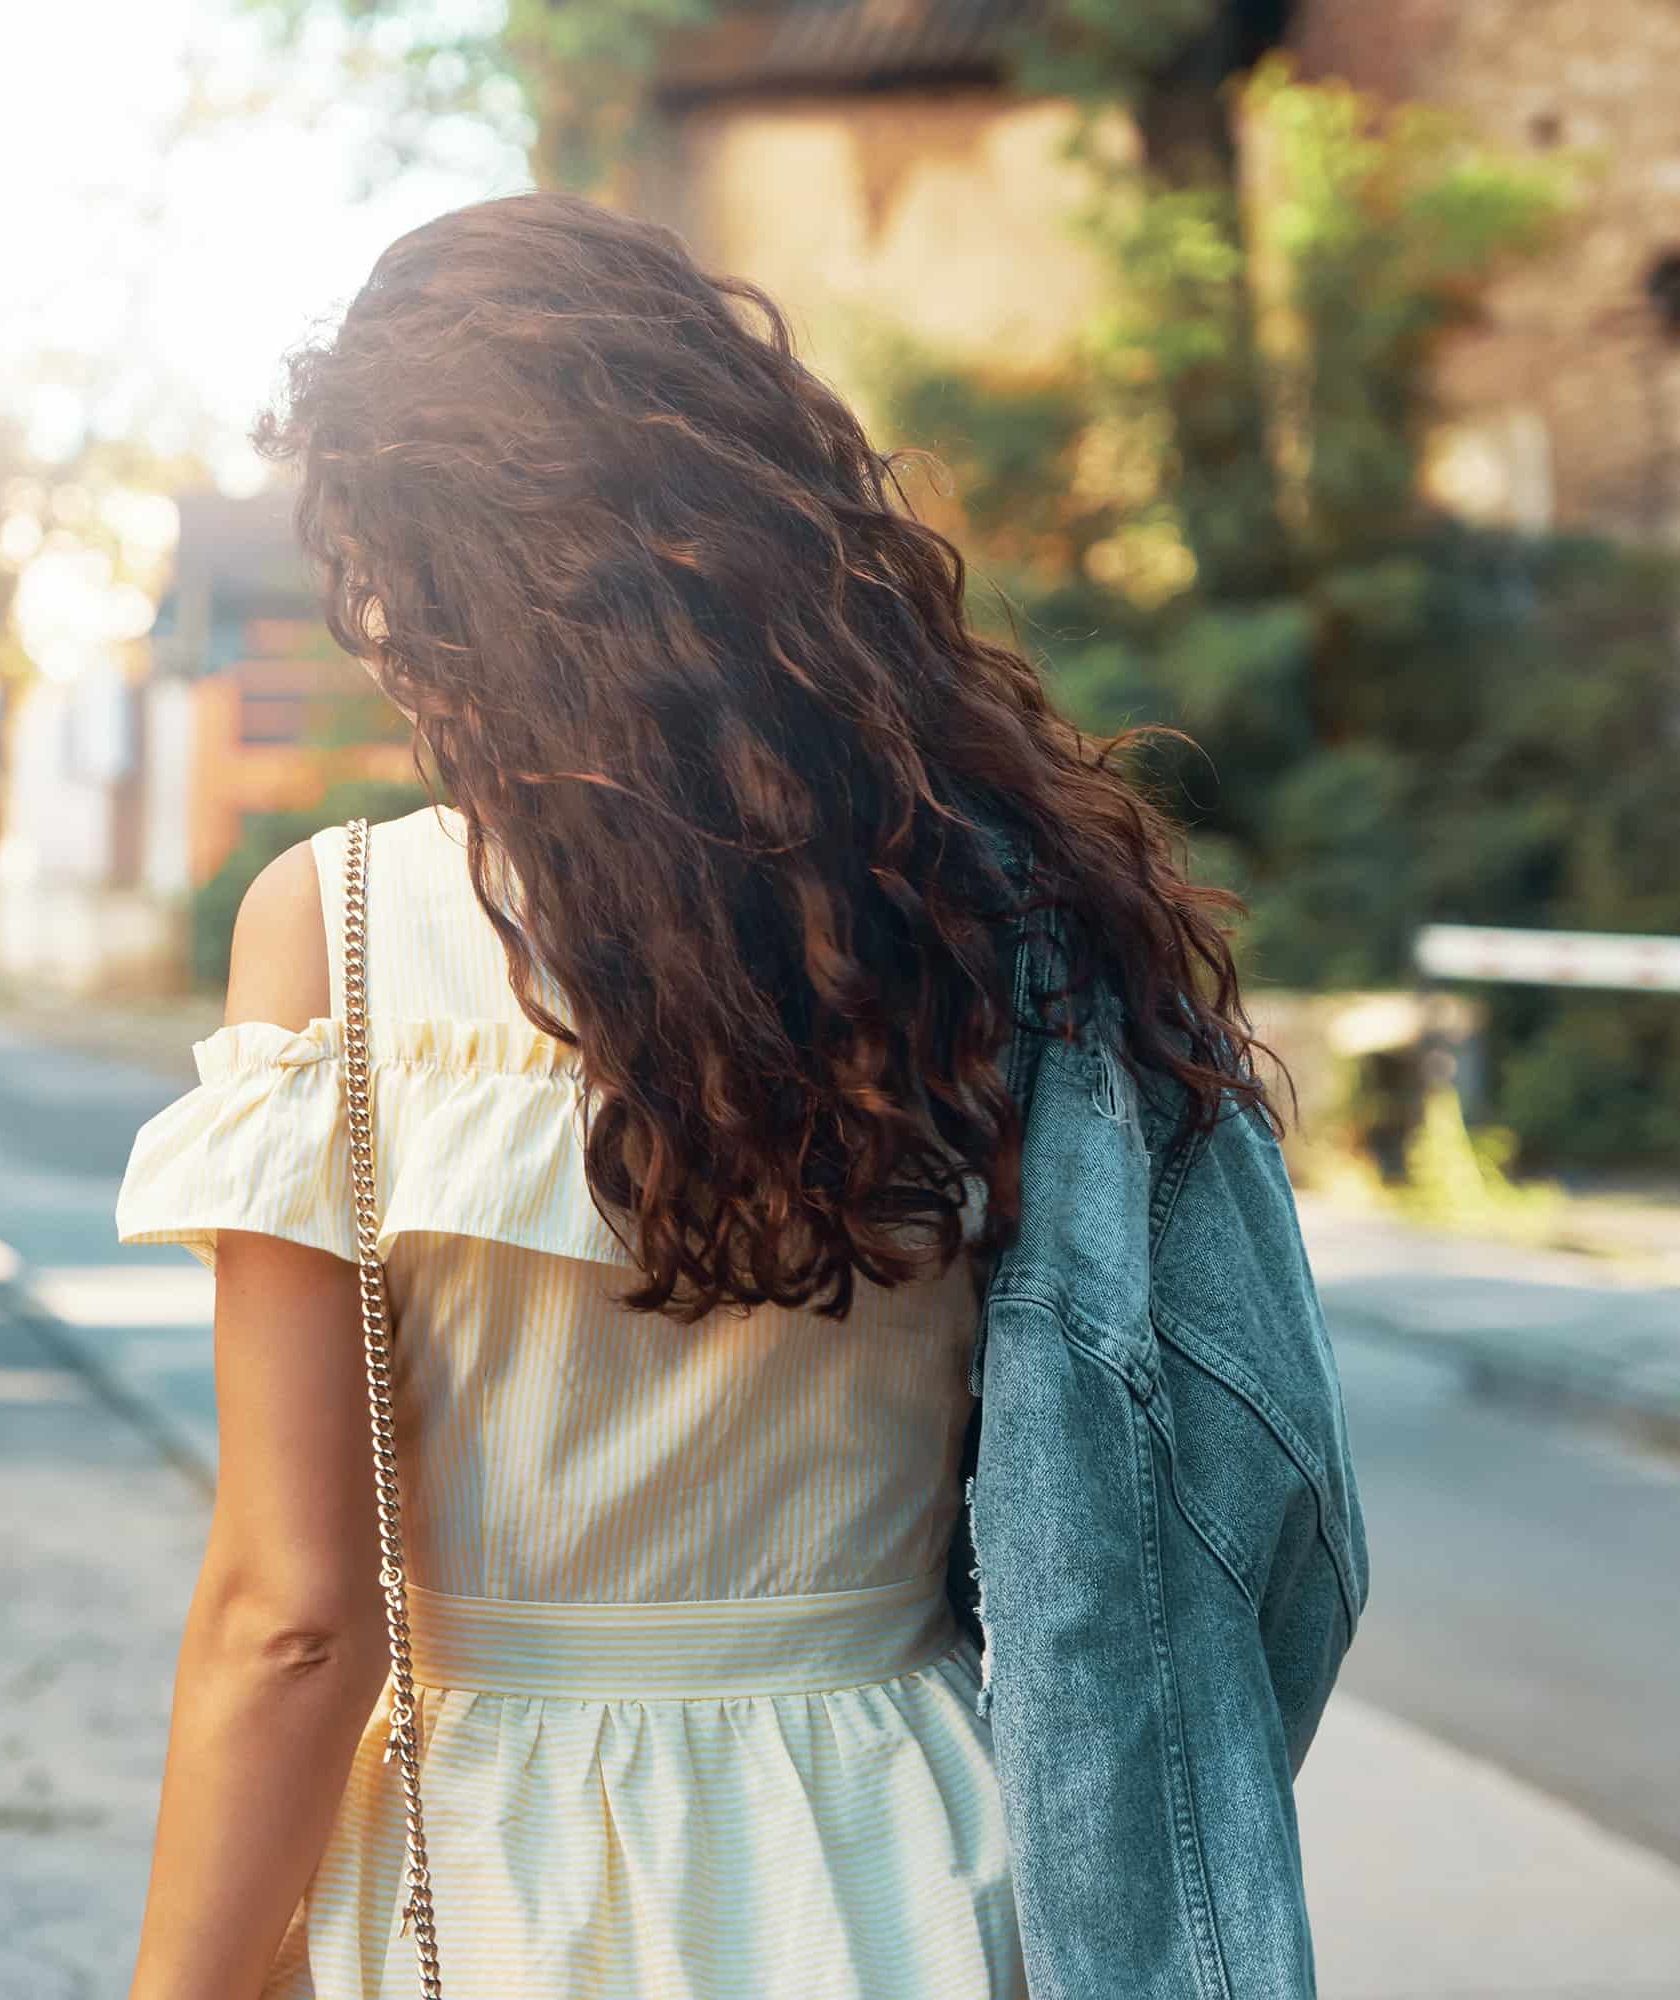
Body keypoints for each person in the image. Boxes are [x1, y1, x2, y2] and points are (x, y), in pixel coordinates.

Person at [116, 191, 1362, 2000]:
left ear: (435, 573)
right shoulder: (996, 931)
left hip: (494, 1879)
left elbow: (294, 1622)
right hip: (917, 1866)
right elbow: (1246, 1514)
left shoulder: (349, 931)